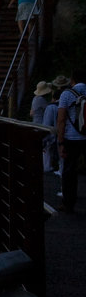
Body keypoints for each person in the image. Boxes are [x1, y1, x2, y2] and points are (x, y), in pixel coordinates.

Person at [55, 70, 86, 212]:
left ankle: (68, 203)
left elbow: (61, 120)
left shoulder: (67, 94)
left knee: (69, 172)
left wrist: (60, 142)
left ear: (72, 80)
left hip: (72, 137)